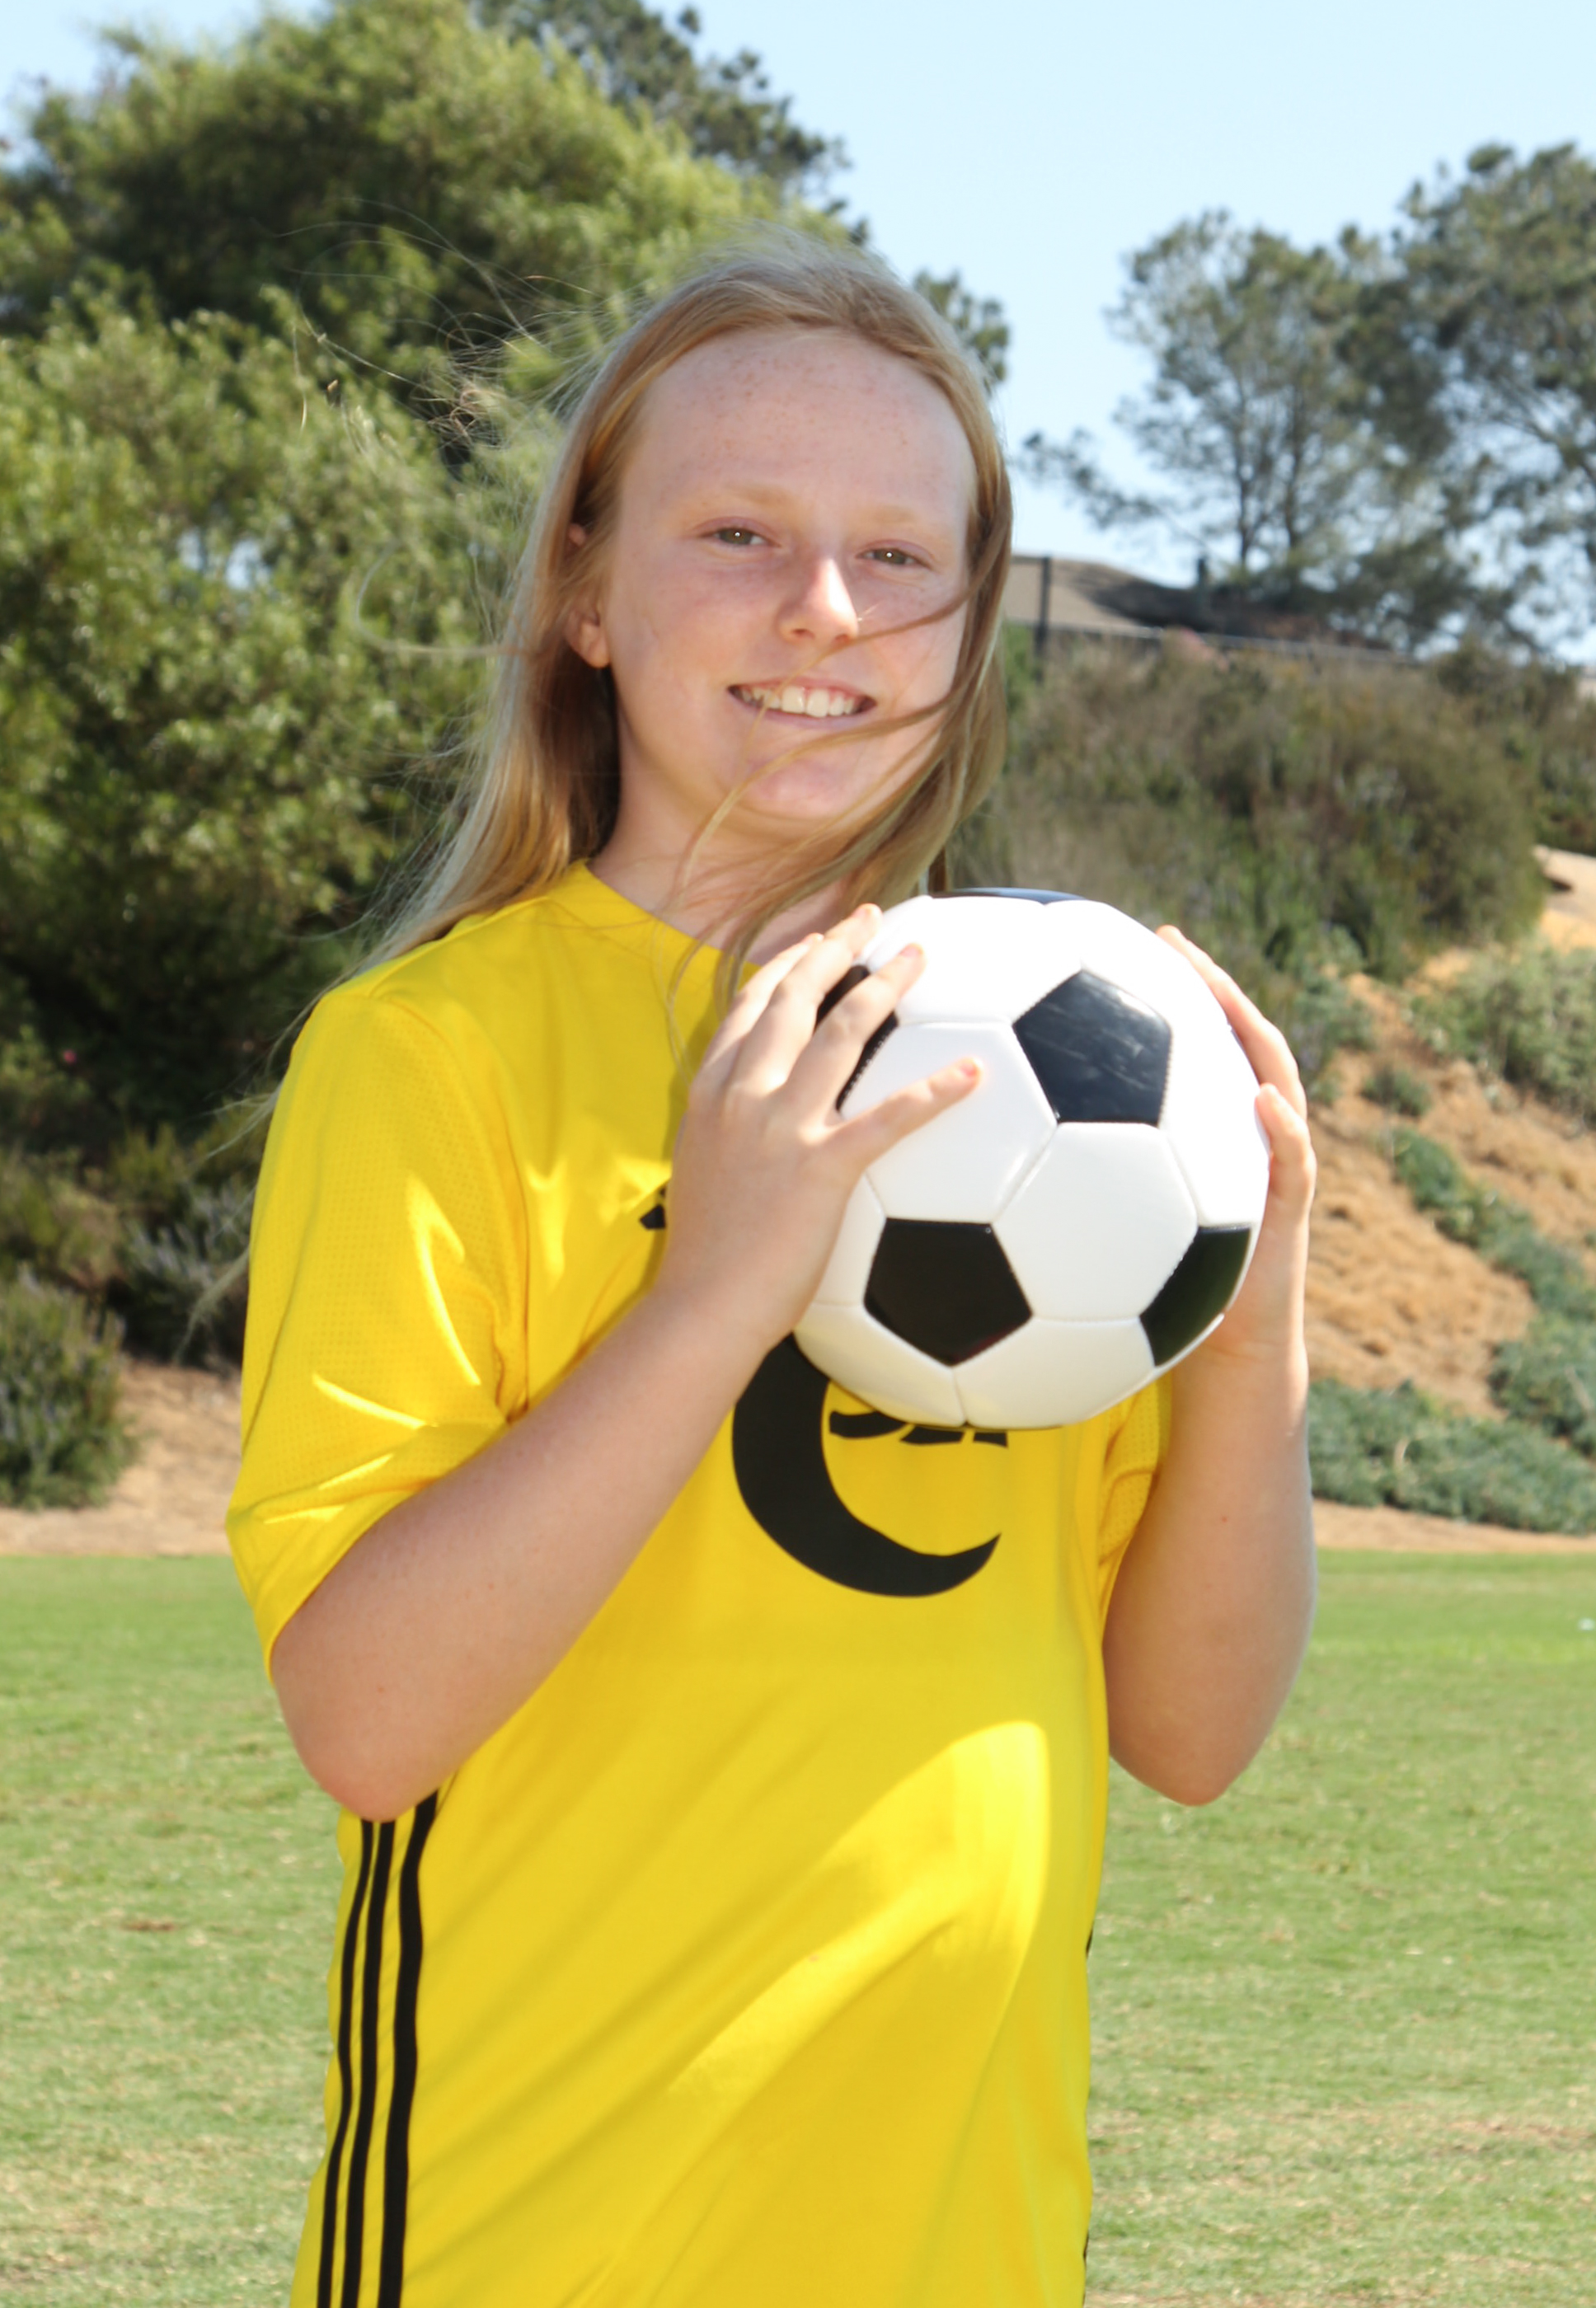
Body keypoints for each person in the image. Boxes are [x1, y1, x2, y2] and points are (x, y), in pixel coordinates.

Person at [227, 236, 1317, 2308]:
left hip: (961, 2249)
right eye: (738, 532)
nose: (826, 608)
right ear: (584, 592)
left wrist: (1249, 1312)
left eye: (899, 554)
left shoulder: (1070, 1068)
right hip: (535, 2240)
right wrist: (719, 1285)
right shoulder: (433, 1056)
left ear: (968, 630)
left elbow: (1188, 1728)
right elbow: (366, 1719)